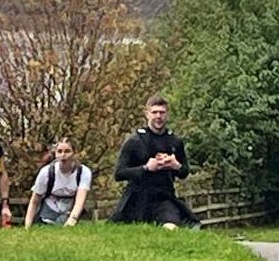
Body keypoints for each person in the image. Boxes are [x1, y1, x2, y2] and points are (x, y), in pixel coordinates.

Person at [109, 96, 199, 228]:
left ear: (167, 114)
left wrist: (175, 166)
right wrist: (146, 168)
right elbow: (119, 174)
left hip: (163, 196)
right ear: (147, 114)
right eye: (154, 112)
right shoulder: (134, 141)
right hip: (137, 198)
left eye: (162, 112)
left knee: (172, 226)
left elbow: (184, 172)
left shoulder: (175, 141)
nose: (158, 116)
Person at [24, 137, 93, 227]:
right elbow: (34, 201)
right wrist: (27, 226)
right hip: (47, 213)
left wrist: (72, 220)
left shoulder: (84, 172)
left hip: (70, 212)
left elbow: (81, 199)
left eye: (67, 151)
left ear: (75, 154)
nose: (63, 155)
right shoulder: (46, 172)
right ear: (55, 154)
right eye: (59, 151)